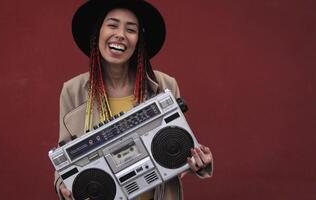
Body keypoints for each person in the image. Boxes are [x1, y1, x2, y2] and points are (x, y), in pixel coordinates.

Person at [54, 0, 213, 199]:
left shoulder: (165, 85)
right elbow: (64, 162)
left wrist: (198, 161)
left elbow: (177, 148)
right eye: (112, 25)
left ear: (139, 39)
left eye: (130, 29)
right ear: (98, 33)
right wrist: (63, 187)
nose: (120, 34)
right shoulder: (73, 91)